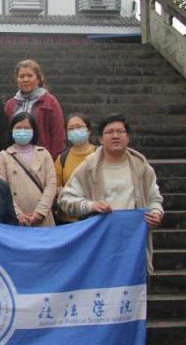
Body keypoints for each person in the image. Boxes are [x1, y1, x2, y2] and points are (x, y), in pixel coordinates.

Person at [58, 113, 164, 272]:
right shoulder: (88, 167)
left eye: (120, 131)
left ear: (128, 137)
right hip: (99, 242)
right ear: (101, 139)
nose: (115, 136)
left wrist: (155, 213)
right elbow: (65, 199)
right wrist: (91, 206)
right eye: (109, 132)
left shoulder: (141, 167)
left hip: (133, 243)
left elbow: (154, 199)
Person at [0, 112, 58, 227]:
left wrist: (40, 212)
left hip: (43, 218)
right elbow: (0, 188)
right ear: (11, 130)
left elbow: (51, 184)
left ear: (34, 131)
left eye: (27, 128)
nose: (22, 131)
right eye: (18, 128)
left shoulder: (44, 154)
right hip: (14, 219)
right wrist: (17, 213)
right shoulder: (4, 156)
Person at [3, 59, 66, 159]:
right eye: (21, 76)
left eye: (29, 76)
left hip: (42, 158)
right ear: (17, 80)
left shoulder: (50, 102)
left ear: (38, 78)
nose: (25, 79)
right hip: (15, 159)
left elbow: (58, 134)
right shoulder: (10, 104)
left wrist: (53, 159)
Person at [54, 113, 97, 224]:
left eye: (79, 127)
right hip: (67, 219)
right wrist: (70, 194)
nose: (75, 131)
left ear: (89, 130)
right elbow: (55, 186)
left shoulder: (100, 154)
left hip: (94, 217)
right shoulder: (62, 158)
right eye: (71, 129)